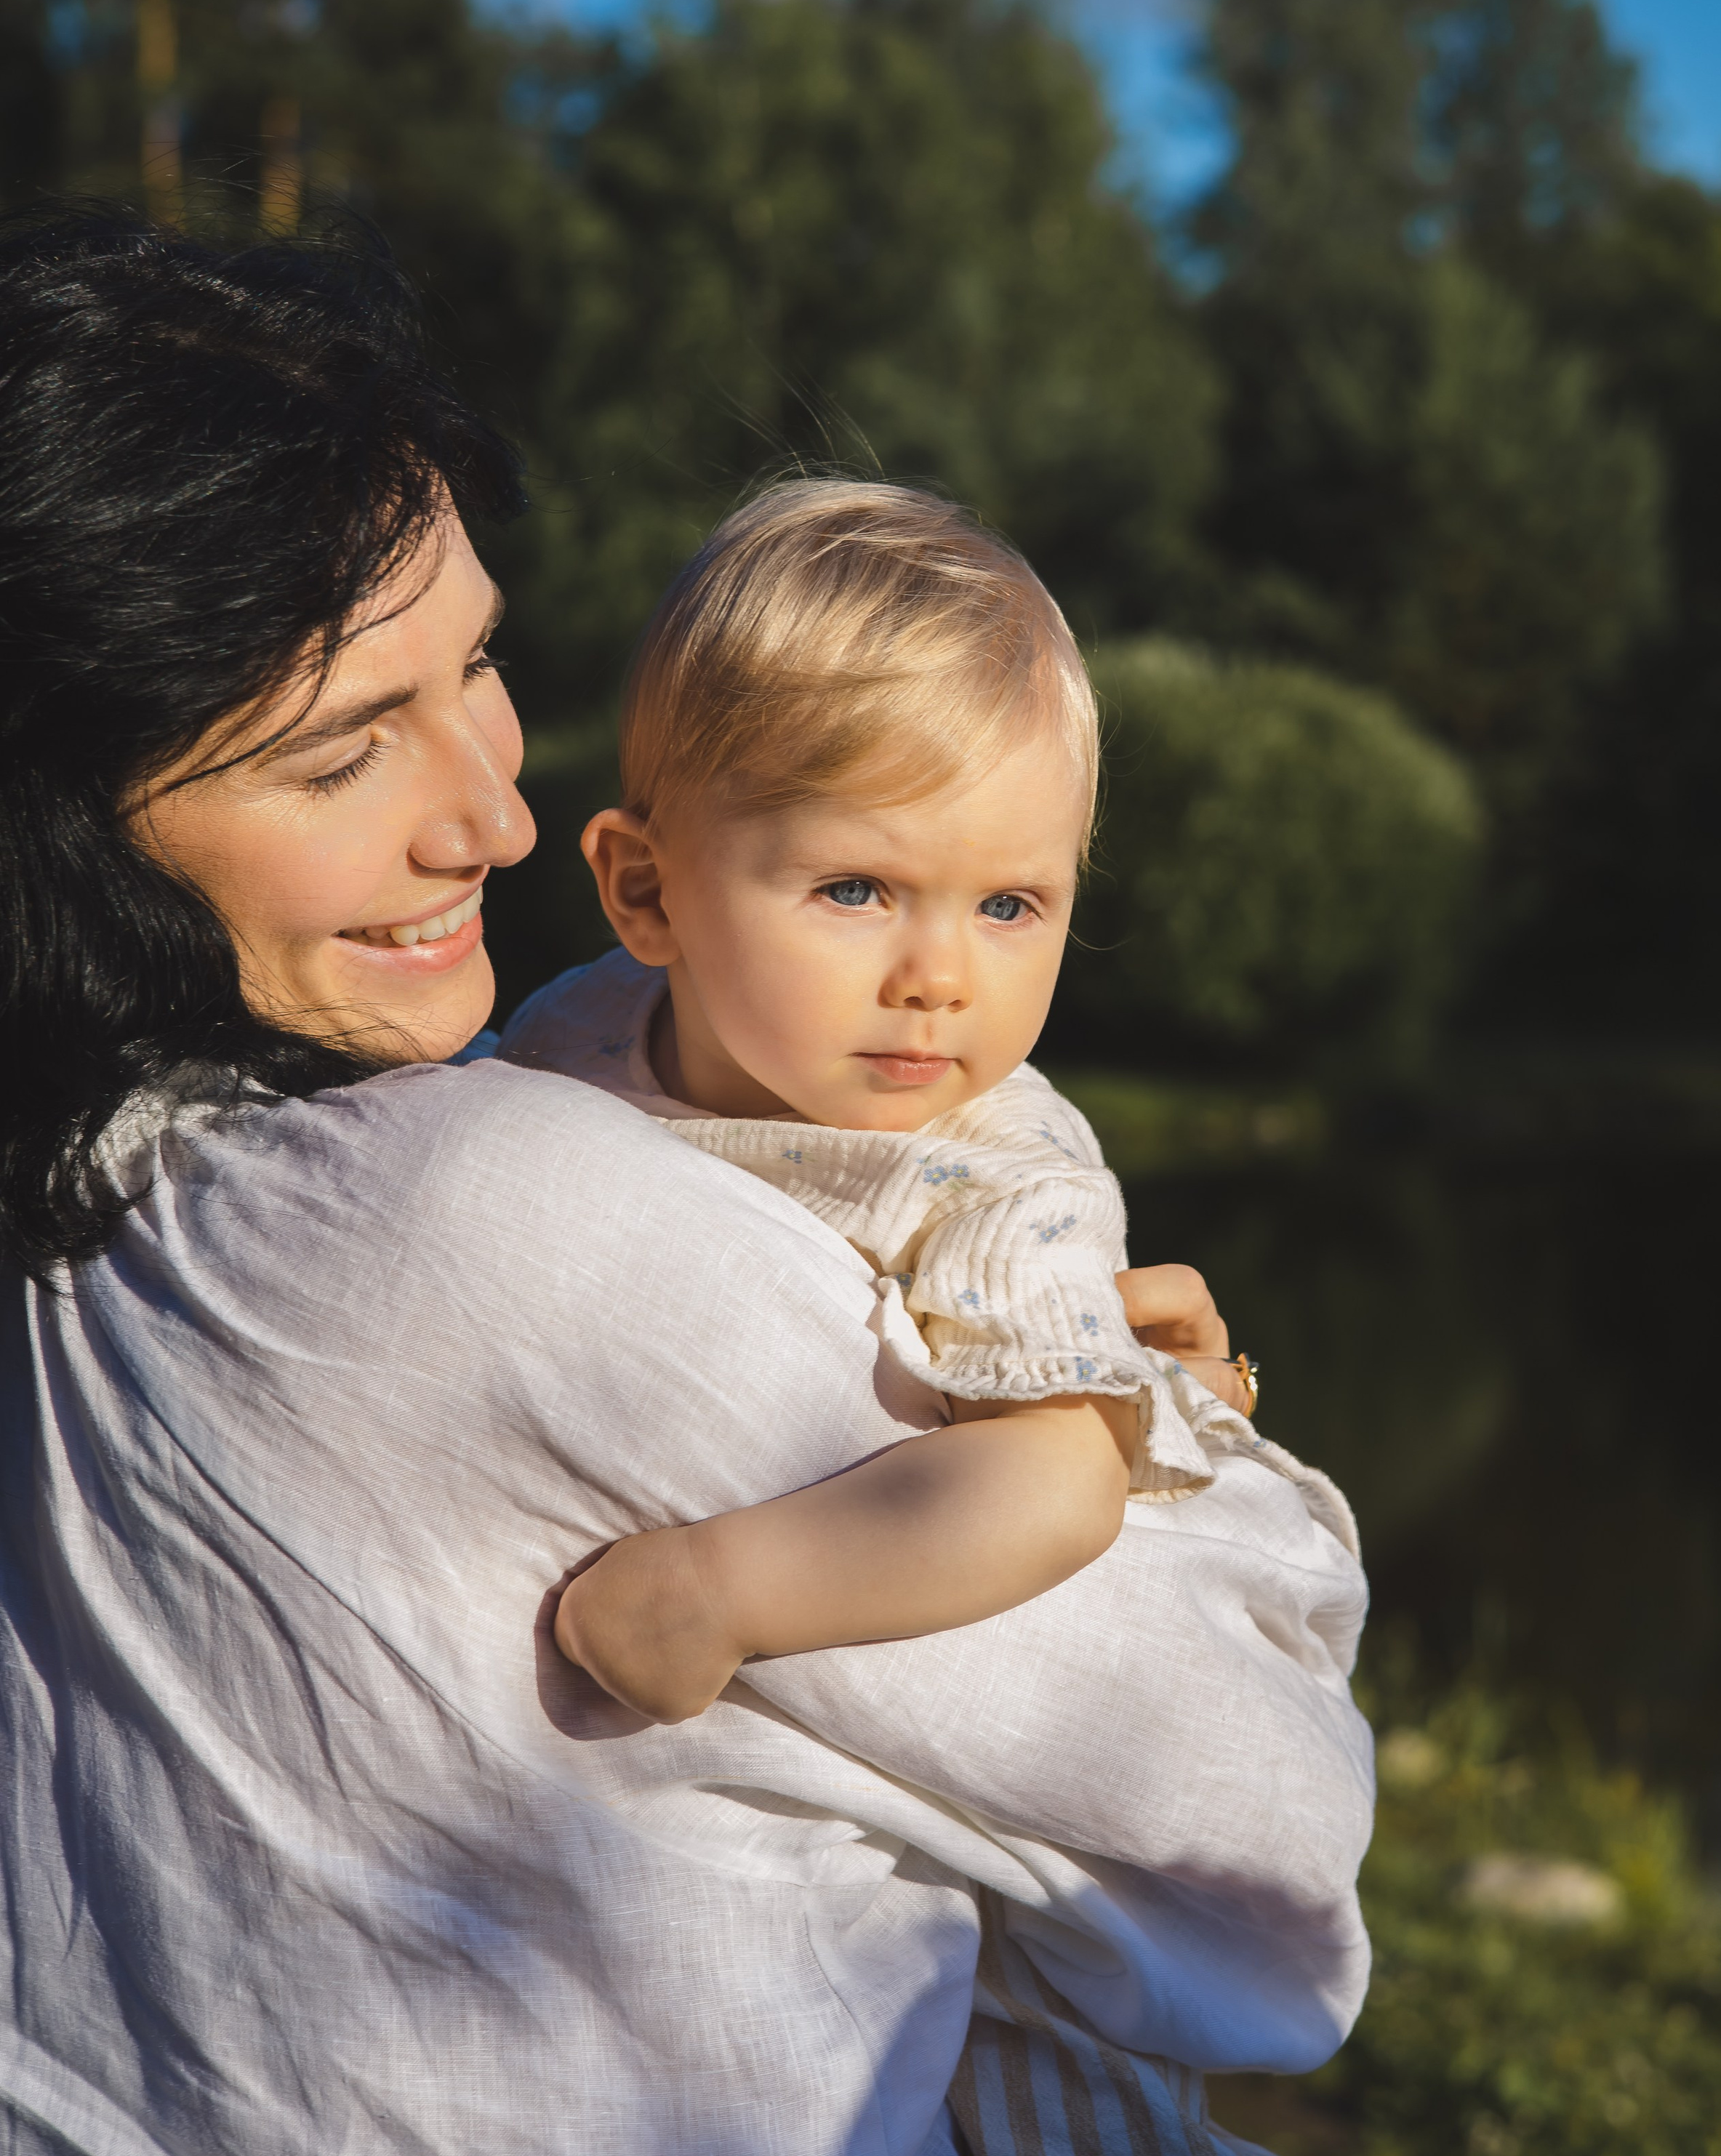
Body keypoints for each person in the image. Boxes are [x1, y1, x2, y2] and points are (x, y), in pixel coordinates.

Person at [0, 212, 1373, 2156]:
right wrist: (1211, 1467)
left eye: (471, 662)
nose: (490, 811)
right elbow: (1268, 1837)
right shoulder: (467, 1220)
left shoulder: (99, 1216)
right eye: (336, 751)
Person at [502, 480, 1357, 1733]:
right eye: (857, 888)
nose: (941, 979)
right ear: (647, 890)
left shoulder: (1002, 1174)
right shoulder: (573, 1029)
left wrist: (719, 1590)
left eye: (1010, 906)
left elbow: (1057, 1488)